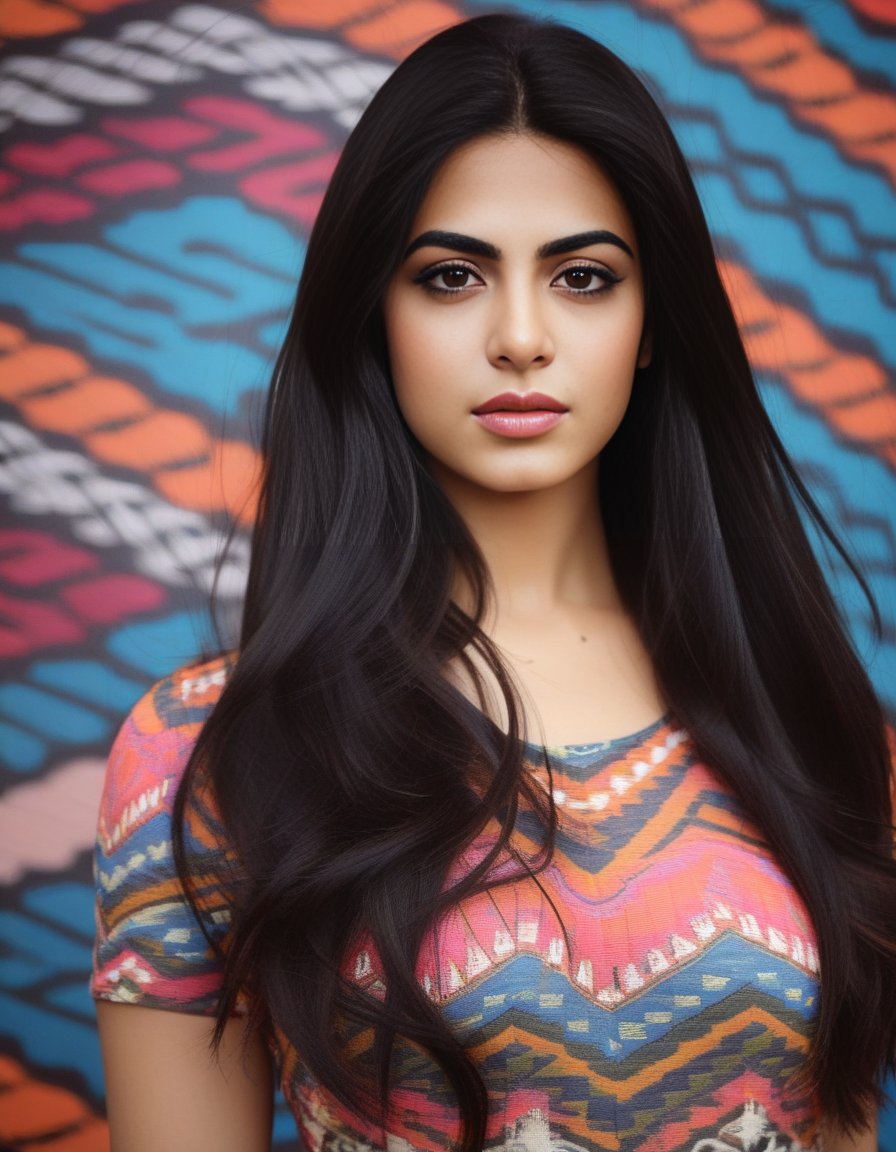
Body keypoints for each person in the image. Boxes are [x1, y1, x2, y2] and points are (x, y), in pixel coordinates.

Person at [90, 13, 895, 1152]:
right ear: (374, 313)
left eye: (581, 276)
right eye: (452, 276)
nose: (520, 337)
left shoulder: (799, 712)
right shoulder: (209, 751)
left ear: (652, 321)